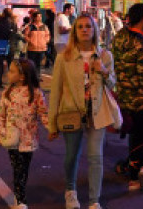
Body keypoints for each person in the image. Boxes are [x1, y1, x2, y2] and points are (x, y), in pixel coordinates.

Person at [48, 15, 116, 209]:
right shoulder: (64, 57)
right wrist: (52, 123)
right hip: (71, 111)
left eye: (88, 26)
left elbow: (113, 85)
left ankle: (94, 201)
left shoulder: (105, 56)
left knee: (96, 157)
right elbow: (56, 92)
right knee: (71, 156)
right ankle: (70, 192)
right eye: (80, 27)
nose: (85, 30)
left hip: (97, 112)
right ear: (75, 31)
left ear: (94, 30)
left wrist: (103, 70)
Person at [111, 3, 143, 192]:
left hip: (125, 98)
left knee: (134, 138)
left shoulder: (119, 39)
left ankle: (133, 179)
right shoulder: (142, 45)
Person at [0, 58, 48, 209]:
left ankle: (20, 194)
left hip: (29, 139)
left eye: (11, 71)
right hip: (13, 139)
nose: (8, 73)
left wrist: (52, 129)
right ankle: (20, 199)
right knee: (18, 169)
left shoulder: (36, 94)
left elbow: (43, 114)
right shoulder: (7, 93)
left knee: (24, 169)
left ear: (22, 76)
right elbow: (1, 116)